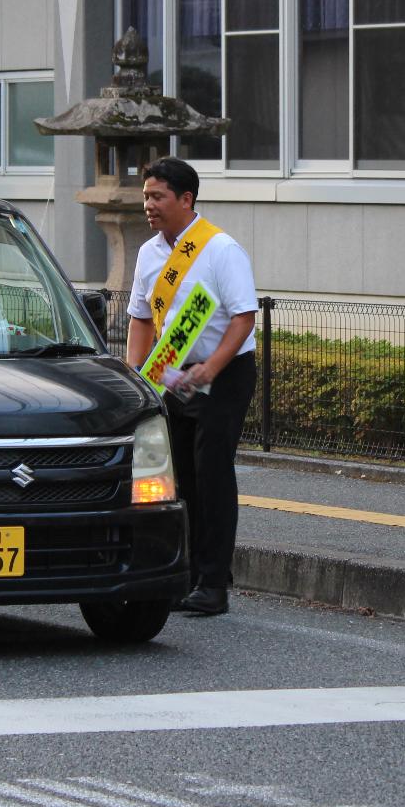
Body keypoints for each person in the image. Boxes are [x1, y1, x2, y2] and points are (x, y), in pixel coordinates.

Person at [125, 157, 258, 617]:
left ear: (186, 200)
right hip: (171, 376)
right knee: (179, 474)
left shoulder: (220, 249)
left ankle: (214, 581)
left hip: (224, 374)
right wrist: (135, 375)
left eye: (157, 196)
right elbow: (141, 319)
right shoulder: (148, 254)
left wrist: (212, 368)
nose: (149, 205)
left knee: (213, 469)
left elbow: (243, 317)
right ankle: (189, 574)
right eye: (146, 196)